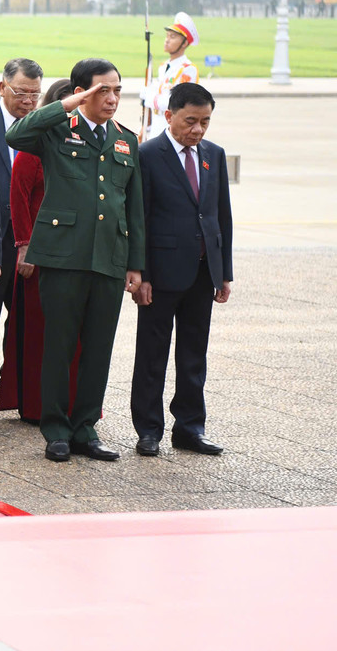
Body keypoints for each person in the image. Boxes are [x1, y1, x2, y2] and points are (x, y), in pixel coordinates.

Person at [6, 58, 144, 463]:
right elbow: (16, 134)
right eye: (103, 90)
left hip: (109, 257)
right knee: (59, 346)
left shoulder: (125, 140)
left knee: (98, 349)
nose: (112, 99)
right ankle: (56, 430)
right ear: (81, 92)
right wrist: (65, 105)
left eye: (117, 91)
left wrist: (135, 264)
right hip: (63, 256)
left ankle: (85, 428)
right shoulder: (56, 130)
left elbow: (133, 208)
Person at [131, 82, 232, 457]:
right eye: (191, 121)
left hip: (203, 271)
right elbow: (139, 217)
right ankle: (148, 429)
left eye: (205, 122)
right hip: (161, 272)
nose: (198, 129)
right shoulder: (147, 155)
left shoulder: (213, 155)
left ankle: (190, 428)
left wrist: (224, 272)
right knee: (152, 355)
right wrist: (141, 273)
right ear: (169, 115)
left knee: (193, 355)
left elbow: (221, 215)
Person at [0, 79, 79, 423]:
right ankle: (34, 404)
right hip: (39, 255)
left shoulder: (86, 143)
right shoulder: (37, 143)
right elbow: (18, 197)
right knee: (38, 333)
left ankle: (72, 404)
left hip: (75, 253)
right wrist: (25, 246)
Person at [0, 58, 45, 408]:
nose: (28, 101)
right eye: (21, 92)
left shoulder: (43, 127)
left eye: (35, 94)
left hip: (31, 236)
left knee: (23, 316)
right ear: (2, 88)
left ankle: (18, 382)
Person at [141, 12, 200, 140]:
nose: (167, 40)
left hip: (172, 128)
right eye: (167, 36)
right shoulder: (163, 66)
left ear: (184, 43)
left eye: (172, 37)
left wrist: (151, 99)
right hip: (156, 125)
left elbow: (177, 102)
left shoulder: (188, 69)